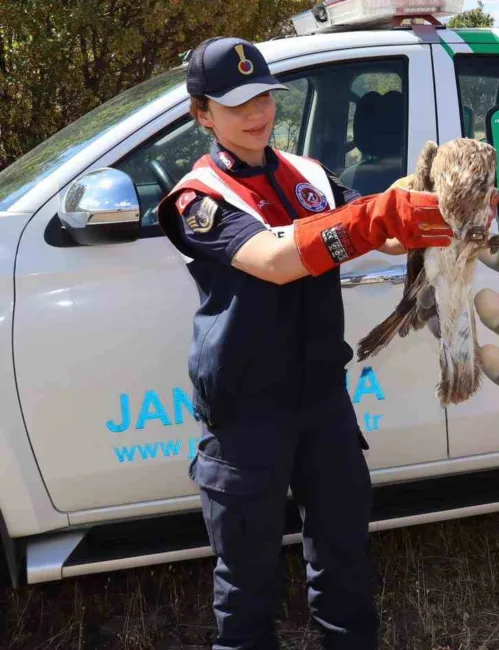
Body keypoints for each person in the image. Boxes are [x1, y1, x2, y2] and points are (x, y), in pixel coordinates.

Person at [156, 36, 454, 650]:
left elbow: (377, 231)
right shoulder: (198, 196)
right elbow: (274, 259)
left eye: (263, 96)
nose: (256, 113)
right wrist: (373, 218)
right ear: (202, 114)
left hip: (322, 400)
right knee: (247, 581)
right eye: (236, 103)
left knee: (345, 558)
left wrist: (422, 206)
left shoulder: (310, 173)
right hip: (246, 411)